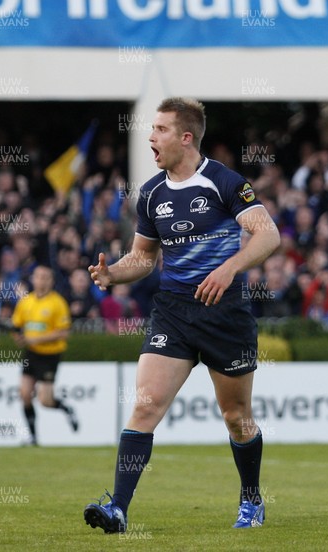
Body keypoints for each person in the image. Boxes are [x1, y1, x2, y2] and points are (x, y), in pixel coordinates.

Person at [83, 98, 280, 533]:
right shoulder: (152, 193)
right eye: (151, 129)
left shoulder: (224, 182)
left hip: (224, 315)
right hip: (173, 313)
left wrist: (229, 268)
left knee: (236, 417)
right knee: (145, 406)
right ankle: (117, 508)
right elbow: (142, 258)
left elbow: (268, 235)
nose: (151, 138)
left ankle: (251, 499)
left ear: (185, 137)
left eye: (159, 130)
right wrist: (113, 273)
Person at [11, 265, 78, 446]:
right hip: (31, 353)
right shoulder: (26, 302)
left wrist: (36, 340)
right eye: (38, 276)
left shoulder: (58, 303)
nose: (41, 280)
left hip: (50, 355)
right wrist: (18, 338)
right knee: (25, 394)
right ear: (33, 279)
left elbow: (64, 332)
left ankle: (66, 409)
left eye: (45, 277)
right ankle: (33, 437)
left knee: (45, 401)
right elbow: (17, 326)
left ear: (51, 281)